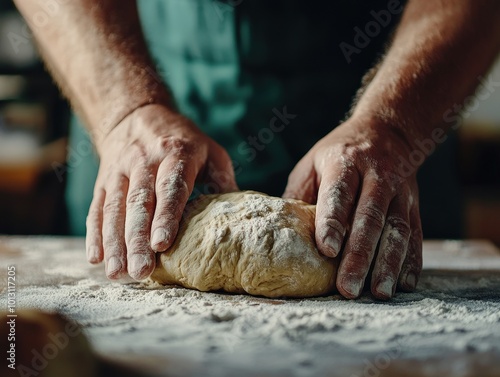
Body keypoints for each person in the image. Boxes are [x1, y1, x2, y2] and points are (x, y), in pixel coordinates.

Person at [14, 0, 500, 299]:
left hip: (389, 102)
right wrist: (125, 110)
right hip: (138, 90)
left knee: (379, 264)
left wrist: (396, 127)